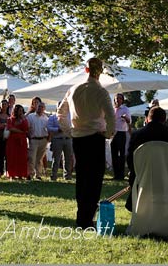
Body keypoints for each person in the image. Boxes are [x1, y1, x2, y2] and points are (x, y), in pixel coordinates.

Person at [57, 57, 115, 228]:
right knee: (94, 179)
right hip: (95, 137)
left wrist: (70, 131)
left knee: (82, 178)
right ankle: (87, 217)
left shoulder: (74, 89)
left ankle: (81, 216)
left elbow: (60, 114)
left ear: (86, 69)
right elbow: (111, 115)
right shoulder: (101, 92)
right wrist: (109, 133)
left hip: (79, 138)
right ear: (101, 71)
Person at [125, 106, 168, 215]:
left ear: (147, 119)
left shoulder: (137, 135)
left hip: (143, 178)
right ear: (164, 120)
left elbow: (130, 159)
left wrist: (136, 171)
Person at [48, 106, 73, 181]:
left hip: (68, 139)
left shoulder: (70, 116)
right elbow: (49, 127)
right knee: (56, 158)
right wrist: (57, 129)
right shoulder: (53, 117)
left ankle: (67, 176)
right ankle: (54, 175)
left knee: (68, 158)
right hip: (57, 139)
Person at [5, 104, 29, 180]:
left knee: (22, 157)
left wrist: (23, 120)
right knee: (12, 157)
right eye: (19, 111)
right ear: (16, 111)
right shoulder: (10, 119)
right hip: (12, 140)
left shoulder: (24, 119)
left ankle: (21, 175)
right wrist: (19, 131)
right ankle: (11, 174)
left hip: (22, 140)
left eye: (22, 111)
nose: (21, 112)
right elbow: (10, 128)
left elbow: (26, 128)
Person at [27, 101, 49, 180]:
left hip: (43, 140)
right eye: (39, 106)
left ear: (44, 109)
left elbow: (48, 130)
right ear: (36, 107)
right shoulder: (30, 116)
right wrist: (29, 137)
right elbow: (27, 128)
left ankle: (38, 174)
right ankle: (30, 174)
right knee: (31, 158)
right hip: (33, 139)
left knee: (39, 159)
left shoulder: (46, 118)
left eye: (42, 107)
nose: (40, 108)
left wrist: (48, 140)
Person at [111, 93, 131, 180]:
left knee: (121, 155)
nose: (117, 100)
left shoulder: (125, 109)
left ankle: (121, 175)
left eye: (119, 98)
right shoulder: (112, 109)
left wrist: (125, 118)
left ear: (122, 100)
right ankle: (116, 175)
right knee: (114, 154)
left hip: (121, 133)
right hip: (113, 133)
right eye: (116, 98)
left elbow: (129, 121)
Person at [0, 99, 10, 178]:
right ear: (0, 106)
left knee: (8, 156)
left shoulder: (9, 116)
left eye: (5, 104)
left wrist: (5, 125)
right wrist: (5, 124)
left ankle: (8, 172)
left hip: (7, 138)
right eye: (2, 104)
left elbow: (10, 126)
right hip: (0, 137)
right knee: (0, 156)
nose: (4, 106)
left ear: (7, 105)